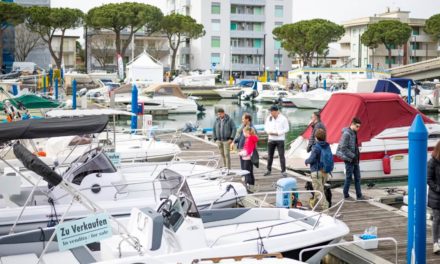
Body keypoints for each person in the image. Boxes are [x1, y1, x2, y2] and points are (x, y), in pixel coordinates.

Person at [336, 117, 364, 200]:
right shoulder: (346, 134)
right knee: (349, 177)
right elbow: (343, 148)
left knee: (358, 177)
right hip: (349, 159)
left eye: (359, 127)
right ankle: (346, 195)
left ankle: (359, 195)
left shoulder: (354, 132)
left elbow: (354, 145)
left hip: (355, 159)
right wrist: (353, 156)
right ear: (352, 124)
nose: (358, 128)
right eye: (357, 126)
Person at [305, 128, 329, 210]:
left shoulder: (316, 147)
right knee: (319, 189)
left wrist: (306, 161)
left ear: (316, 137)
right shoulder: (327, 145)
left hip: (317, 172)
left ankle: (326, 209)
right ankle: (313, 201)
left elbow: (311, 159)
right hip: (325, 172)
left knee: (319, 192)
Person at [264, 105, 289, 177]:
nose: (270, 113)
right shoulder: (269, 118)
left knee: (281, 155)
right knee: (269, 155)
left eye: (271, 111)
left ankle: (283, 171)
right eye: (270, 111)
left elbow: (287, 129)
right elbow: (266, 127)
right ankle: (268, 170)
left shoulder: (283, 118)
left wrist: (278, 133)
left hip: (280, 139)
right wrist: (268, 132)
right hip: (271, 139)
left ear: (276, 111)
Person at [428, 141, 440, 254]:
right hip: (436, 196)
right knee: (437, 218)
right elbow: (429, 179)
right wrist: (437, 188)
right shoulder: (432, 162)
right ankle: (435, 243)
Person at [239, 126, 259, 192]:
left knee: (247, 173)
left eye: (244, 132)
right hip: (249, 158)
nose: (243, 134)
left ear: (247, 132)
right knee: (250, 172)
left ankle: (248, 188)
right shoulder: (251, 138)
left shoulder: (249, 139)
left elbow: (248, 151)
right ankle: (251, 187)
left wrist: (241, 153)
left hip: (246, 158)